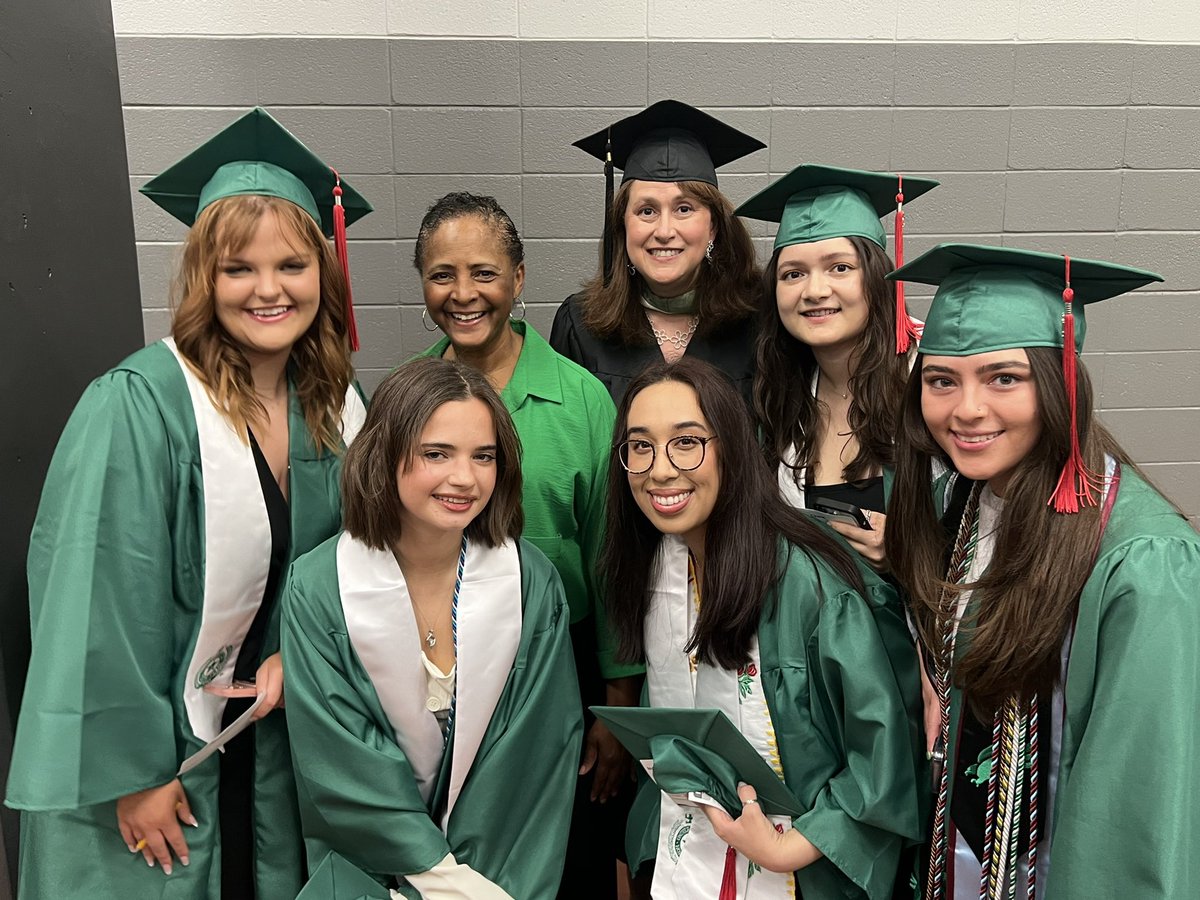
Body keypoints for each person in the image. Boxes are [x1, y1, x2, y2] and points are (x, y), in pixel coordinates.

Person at [5, 107, 372, 899]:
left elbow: (361, 565)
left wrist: (301, 654)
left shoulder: (339, 406)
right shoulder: (140, 404)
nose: (268, 289)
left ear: (325, 273)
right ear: (204, 277)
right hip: (158, 760)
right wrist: (131, 774)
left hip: (275, 746)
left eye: (292, 266)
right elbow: (93, 598)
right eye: (239, 268)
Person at [884, 243, 1200, 898]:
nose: (966, 410)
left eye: (1004, 378)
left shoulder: (1142, 563)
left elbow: (1132, 818)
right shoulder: (962, 506)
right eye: (942, 380)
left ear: (1060, 385)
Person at [603, 357, 924, 898]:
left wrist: (787, 848)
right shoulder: (659, 562)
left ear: (731, 446)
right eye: (640, 446)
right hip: (695, 854)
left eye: (687, 442)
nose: (659, 469)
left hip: (806, 866)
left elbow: (886, 752)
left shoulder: (809, 584)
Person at [282, 357, 582, 899]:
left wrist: (489, 891)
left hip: (500, 883)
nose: (464, 478)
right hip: (367, 878)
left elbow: (535, 766)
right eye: (436, 453)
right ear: (385, 454)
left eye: (483, 456)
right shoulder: (320, 589)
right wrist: (442, 881)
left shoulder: (531, 585)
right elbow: (342, 767)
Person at [411, 192, 640, 896]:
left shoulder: (581, 399)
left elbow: (612, 562)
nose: (463, 293)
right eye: (441, 274)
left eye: (484, 272)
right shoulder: (404, 398)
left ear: (518, 278)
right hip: (436, 670)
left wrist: (616, 709)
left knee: (567, 860)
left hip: (560, 666)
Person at [736, 165, 937, 571]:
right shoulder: (778, 399)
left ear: (878, 276)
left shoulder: (930, 385)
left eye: (839, 268)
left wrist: (908, 546)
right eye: (793, 274)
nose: (814, 291)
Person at [550, 99, 764, 405]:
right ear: (623, 227)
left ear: (713, 228)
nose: (664, 231)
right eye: (647, 211)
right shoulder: (580, 325)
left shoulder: (758, 323)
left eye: (684, 209)